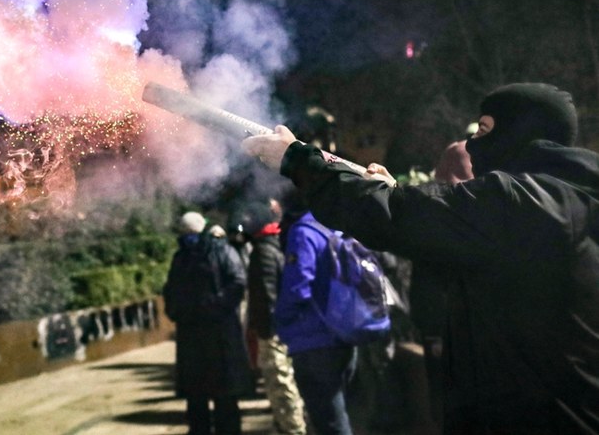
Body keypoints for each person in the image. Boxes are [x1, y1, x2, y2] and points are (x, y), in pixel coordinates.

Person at [242, 82, 599, 434]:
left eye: (486, 130)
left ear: (522, 133)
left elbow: (405, 217)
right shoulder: (563, 199)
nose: (473, 143)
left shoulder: (526, 201)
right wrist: (394, 192)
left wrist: (298, 160)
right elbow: (447, 224)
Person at [275, 194, 359, 435]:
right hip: (345, 334)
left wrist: (280, 321)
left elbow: (297, 288)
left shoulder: (304, 232)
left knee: (329, 422)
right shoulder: (336, 226)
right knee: (342, 415)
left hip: (314, 340)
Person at [163, 211, 252, 435]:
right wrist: (178, 312)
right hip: (196, 338)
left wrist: (210, 306)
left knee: (222, 398)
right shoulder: (182, 257)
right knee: (200, 400)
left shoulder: (219, 251)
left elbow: (237, 283)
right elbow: (171, 292)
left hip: (218, 336)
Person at [409, 139, 473, 427]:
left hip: (454, 331)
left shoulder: (435, 213)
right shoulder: (457, 214)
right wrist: (435, 332)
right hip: (451, 330)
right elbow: (430, 282)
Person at [246, 198, 308, 435]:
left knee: (280, 383)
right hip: (280, 328)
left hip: (272, 331)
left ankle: (293, 428)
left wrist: (268, 330)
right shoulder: (275, 244)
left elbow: (267, 294)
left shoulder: (263, 251)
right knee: (284, 382)